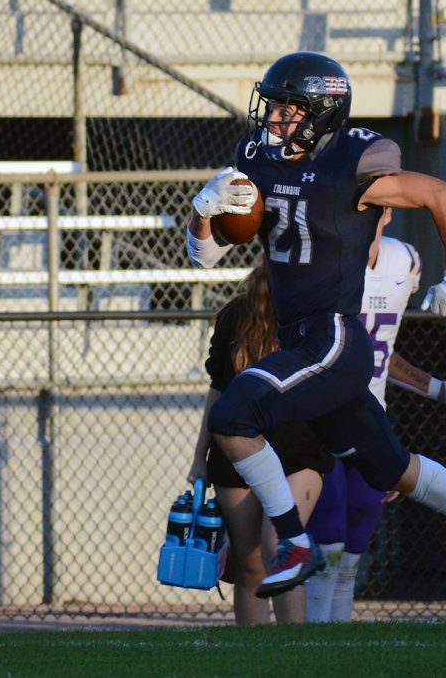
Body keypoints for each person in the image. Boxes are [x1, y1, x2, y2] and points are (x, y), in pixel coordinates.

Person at [185, 51, 446, 600]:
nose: (272, 118)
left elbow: (442, 194)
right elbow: (204, 256)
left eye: (287, 109)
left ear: (321, 112)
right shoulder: (258, 158)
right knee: (393, 469)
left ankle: (293, 541)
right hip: (301, 339)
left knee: (232, 416)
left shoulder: (353, 161)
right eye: (271, 106)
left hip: (333, 337)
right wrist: (203, 208)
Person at [305, 208, 446, 622]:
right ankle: (312, 639)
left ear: (389, 210)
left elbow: (382, 351)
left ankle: (334, 640)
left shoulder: (405, 261)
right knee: (328, 541)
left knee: (355, 545)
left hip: (370, 420)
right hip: (319, 419)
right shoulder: (323, 261)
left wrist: (437, 388)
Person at [188, 262, 333, 624]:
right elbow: (218, 390)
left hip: (298, 450)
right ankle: (254, 651)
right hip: (237, 450)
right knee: (249, 562)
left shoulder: (318, 313)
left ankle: (292, 648)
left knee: (280, 547)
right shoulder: (236, 314)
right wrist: (199, 457)